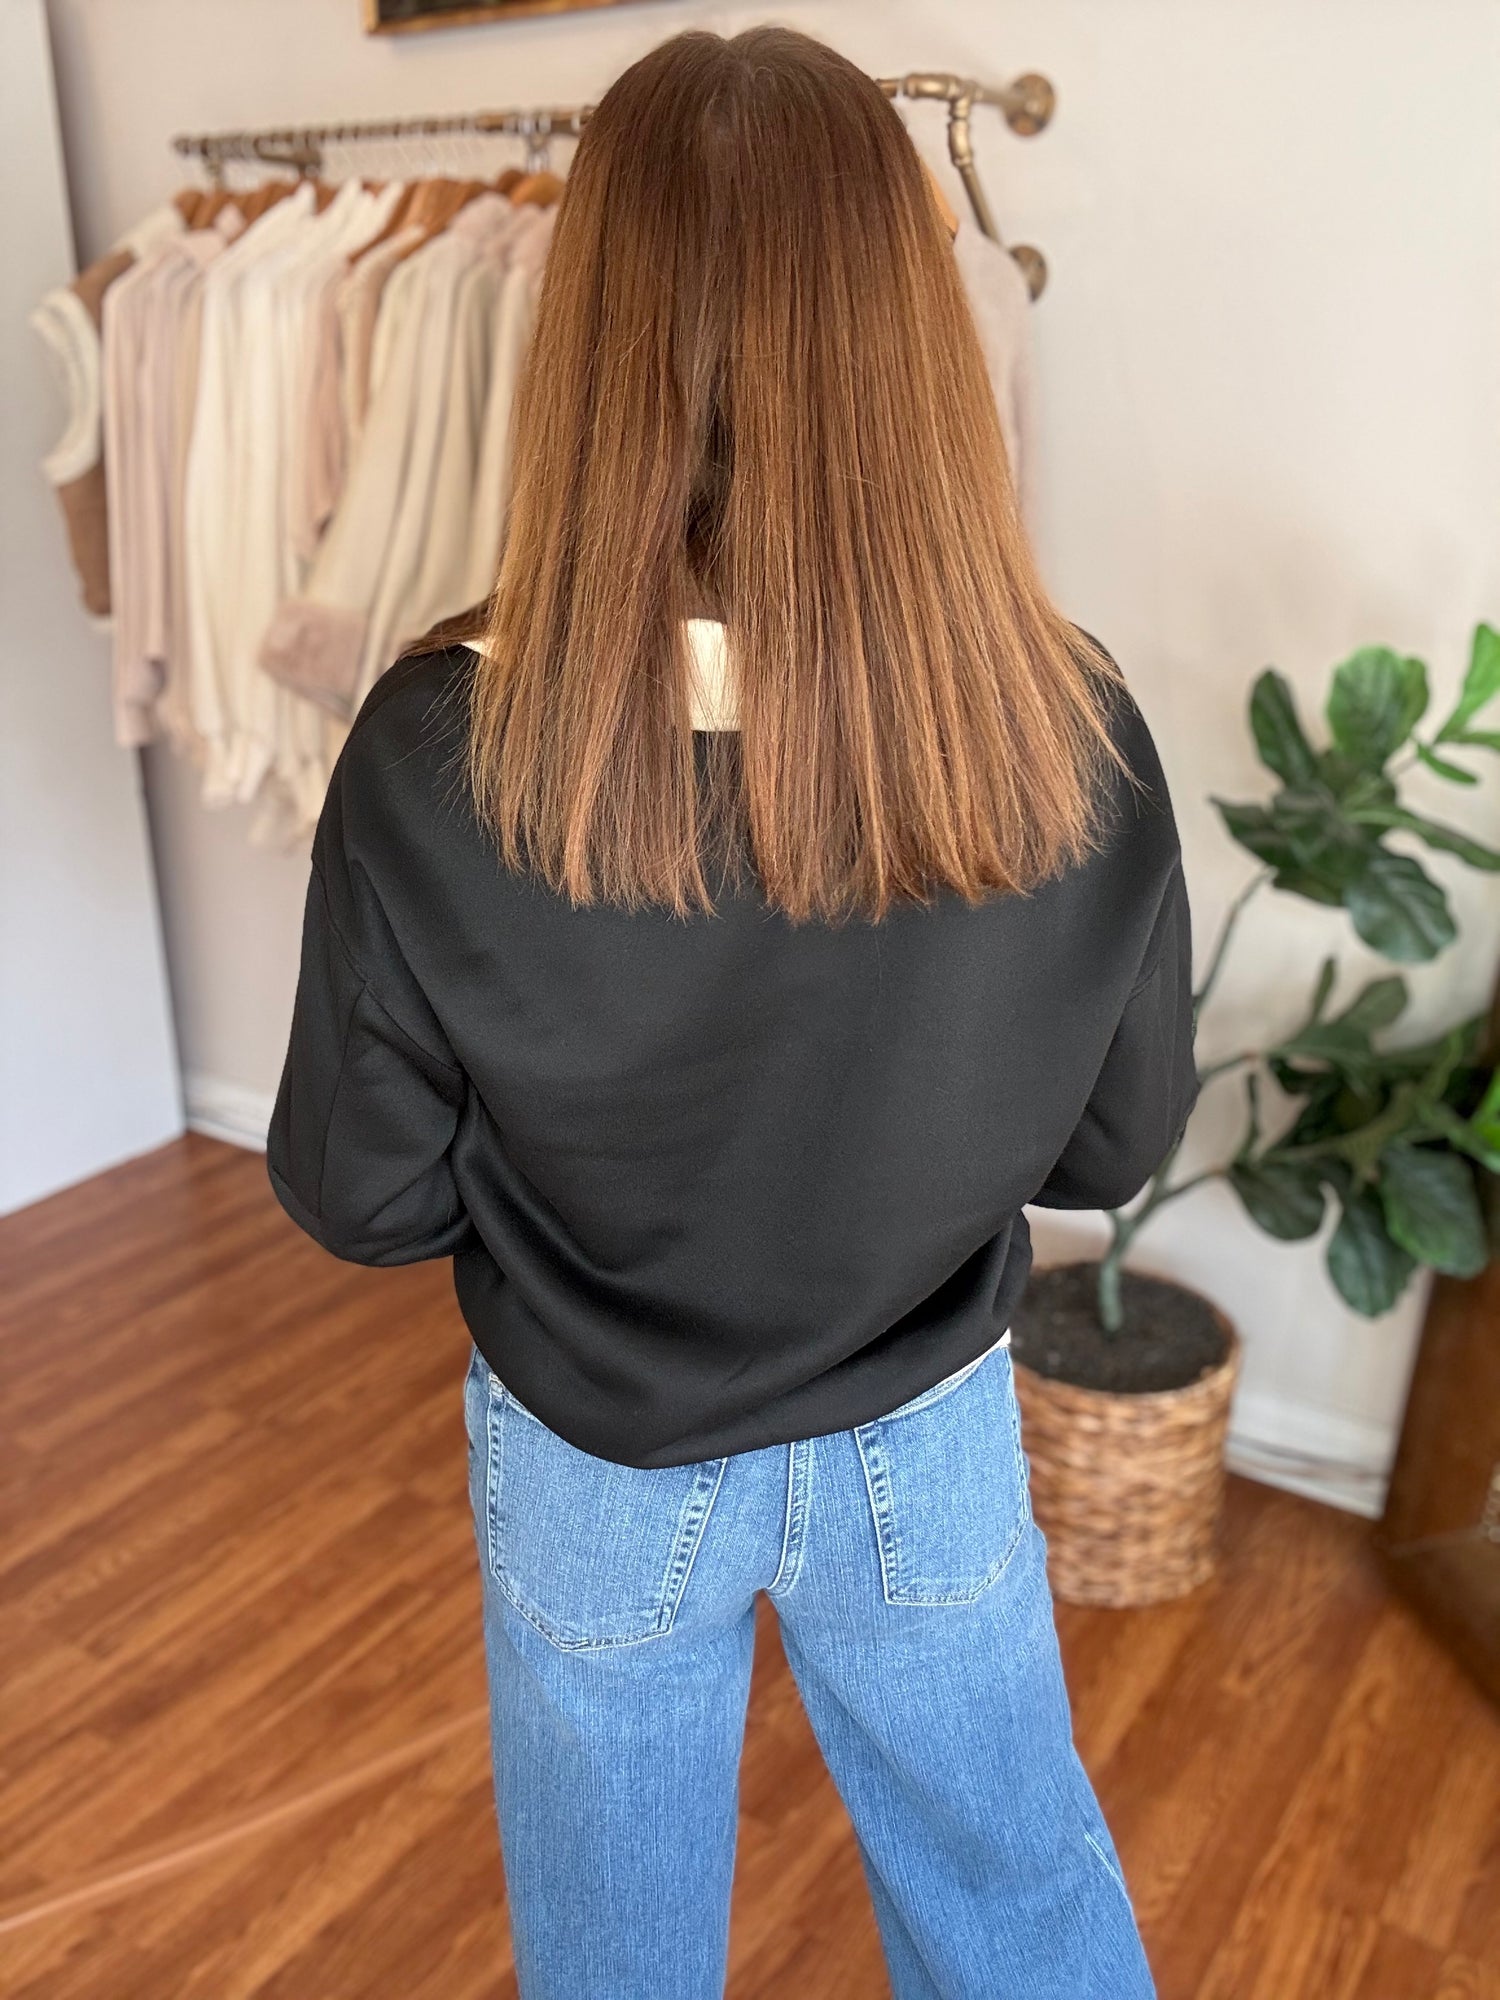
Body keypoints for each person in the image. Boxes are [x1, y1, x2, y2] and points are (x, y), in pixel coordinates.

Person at [268, 26, 1194, 2000]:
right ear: (912, 334)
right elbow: (1113, 1148)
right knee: (1020, 1911)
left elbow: (363, 1195)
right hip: (925, 1438)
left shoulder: (440, 750)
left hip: (596, 1449)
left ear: (587, 339)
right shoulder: (1071, 720)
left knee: (613, 1955)